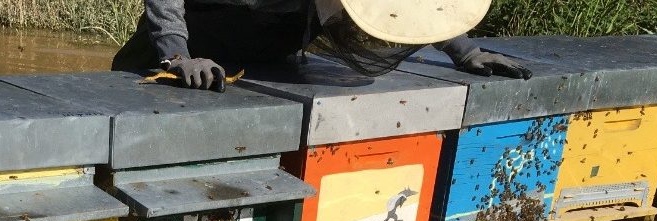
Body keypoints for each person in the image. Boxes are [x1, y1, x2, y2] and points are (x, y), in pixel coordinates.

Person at [112, 0, 531, 92]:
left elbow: (402, 6)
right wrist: (177, 54)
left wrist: (463, 49)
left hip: (263, 68)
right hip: (172, 66)